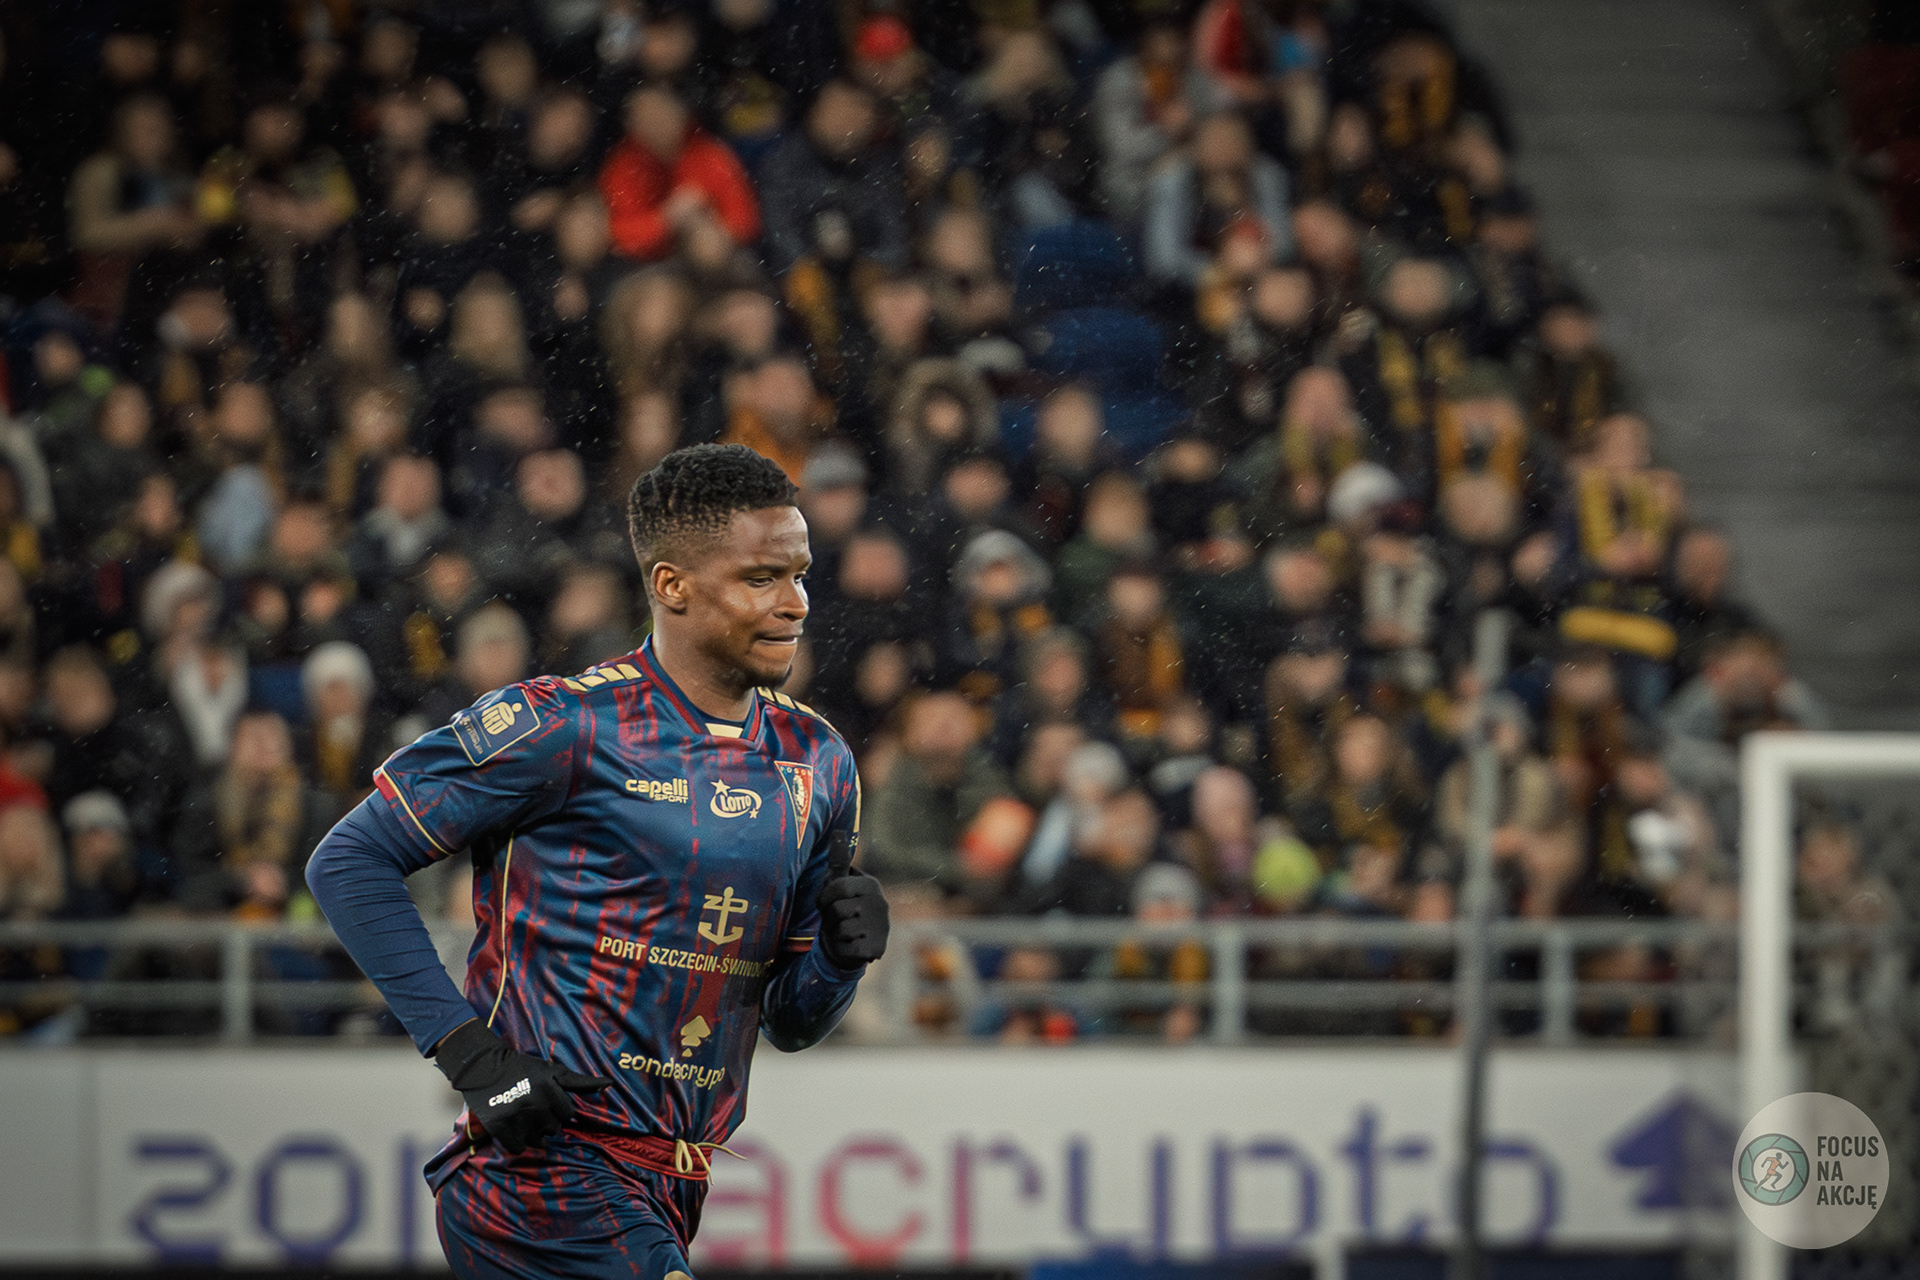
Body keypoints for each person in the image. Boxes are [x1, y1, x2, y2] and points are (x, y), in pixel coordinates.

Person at [306, 443, 887, 1279]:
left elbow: (791, 1023)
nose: (794, 603)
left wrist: (838, 958)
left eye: (800, 575)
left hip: (673, 1181)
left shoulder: (817, 760)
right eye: (762, 578)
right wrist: (473, 1059)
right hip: (542, 1170)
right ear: (672, 586)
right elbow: (350, 860)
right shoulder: (566, 726)